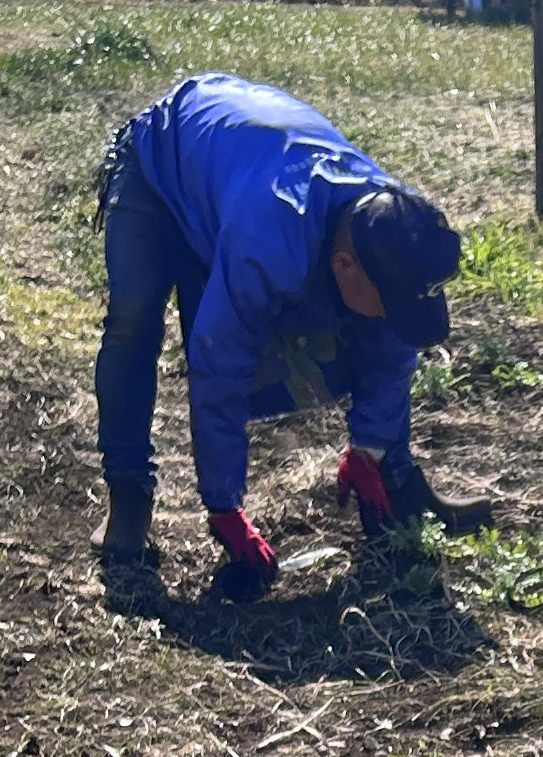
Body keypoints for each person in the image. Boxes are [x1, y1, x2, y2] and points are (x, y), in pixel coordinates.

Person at [95, 74, 464, 589]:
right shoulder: (268, 245)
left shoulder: (394, 222)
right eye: (389, 305)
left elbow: (393, 348)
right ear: (343, 265)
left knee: (376, 325)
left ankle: (396, 476)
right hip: (160, 159)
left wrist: (370, 449)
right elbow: (219, 364)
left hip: (234, 174)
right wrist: (225, 508)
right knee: (133, 318)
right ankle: (129, 491)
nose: (391, 318)